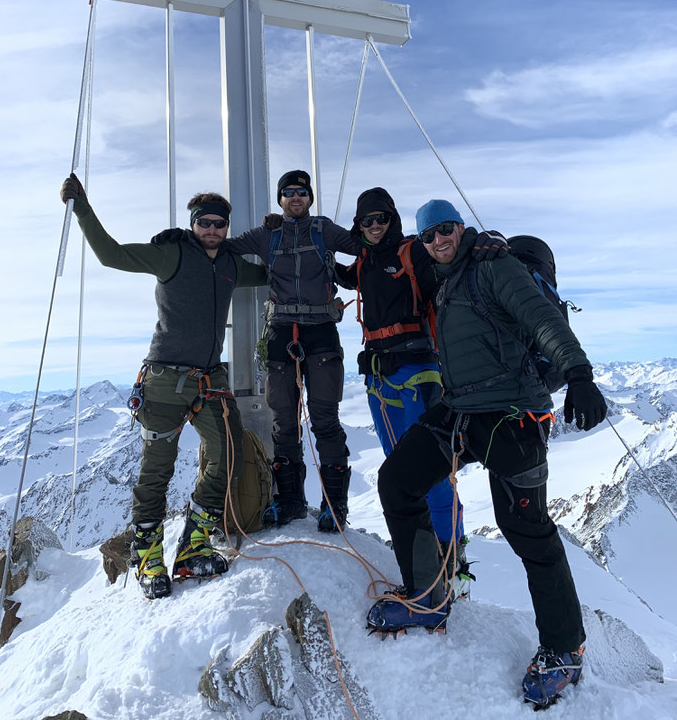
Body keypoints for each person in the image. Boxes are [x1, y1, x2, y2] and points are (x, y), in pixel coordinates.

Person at [366, 199, 607, 710]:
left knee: (527, 529)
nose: (439, 242)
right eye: (429, 237)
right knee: (397, 480)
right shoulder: (445, 280)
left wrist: (579, 375)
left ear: (462, 228)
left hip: (513, 415)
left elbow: (542, 319)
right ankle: (429, 596)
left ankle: (565, 648)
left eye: (446, 230)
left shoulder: (494, 267)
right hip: (460, 412)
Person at [60, 174, 267, 600]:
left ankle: (194, 544)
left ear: (227, 227)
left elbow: (271, 274)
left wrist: (282, 235)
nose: (212, 230)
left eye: (219, 223)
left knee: (229, 453)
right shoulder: (170, 254)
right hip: (163, 381)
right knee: (156, 470)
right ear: (192, 224)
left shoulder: (230, 265)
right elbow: (110, 254)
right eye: (204, 222)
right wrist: (81, 205)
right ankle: (147, 553)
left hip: (210, 379)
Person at [154, 170, 362, 531]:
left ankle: (334, 506)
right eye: (288, 192)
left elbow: (364, 247)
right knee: (283, 421)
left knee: (325, 419)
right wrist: (184, 238)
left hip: (322, 334)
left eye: (301, 192)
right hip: (282, 332)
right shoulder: (267, 234)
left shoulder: (324, 230)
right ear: (280, 199)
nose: (295, 197)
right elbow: (220, 247)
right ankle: (291, 502)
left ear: (310, 198)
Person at [336, 187, 508, 597]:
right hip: (379, 378)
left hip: (417, 374)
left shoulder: (413, 252)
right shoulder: (363, 262)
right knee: (403, 468)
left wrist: (485, 241)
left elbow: (450, 254)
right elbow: (335, 271)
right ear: (359, 226)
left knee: (427, 470)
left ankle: (448, 558)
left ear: (393, 218)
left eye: (381, 218)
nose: (376, 227)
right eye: (367, 221)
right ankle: (437, 557)